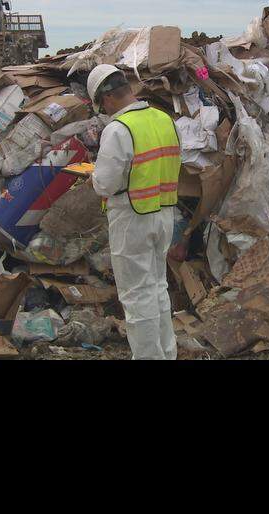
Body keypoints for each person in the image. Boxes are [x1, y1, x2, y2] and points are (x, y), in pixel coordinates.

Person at [88, 64, 180, 360]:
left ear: (107, 98)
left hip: (132, 220)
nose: (104, 111)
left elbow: (104, 184)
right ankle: (167, 353)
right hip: (164, 214)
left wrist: (91, 173)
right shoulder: (164, 119)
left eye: (101, 105)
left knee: (136, 295)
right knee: (157, 288)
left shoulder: (118, 129)